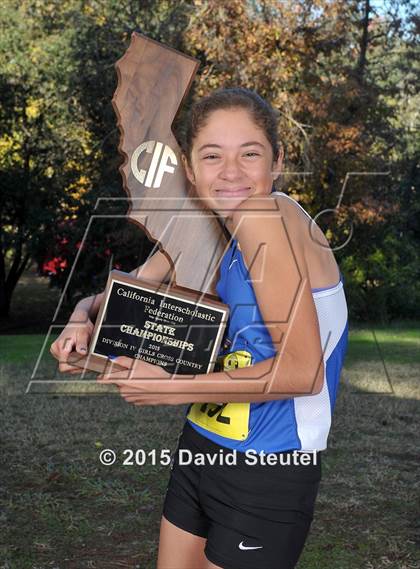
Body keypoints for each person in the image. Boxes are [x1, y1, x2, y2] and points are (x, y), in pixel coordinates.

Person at [51, 87, 349, 569]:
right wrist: (81, 326)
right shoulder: (218, 231)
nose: (231, 172)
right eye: (212, 156)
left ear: (277, 162)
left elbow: (302, 373)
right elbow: (117, 298)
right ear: (190, 169)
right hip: (203, 446)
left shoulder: (266, 216)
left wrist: (172, 387)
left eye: (249, 153)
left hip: (269, 467)